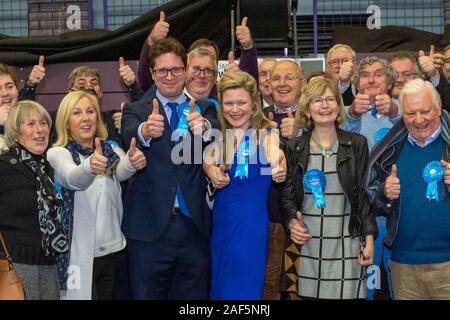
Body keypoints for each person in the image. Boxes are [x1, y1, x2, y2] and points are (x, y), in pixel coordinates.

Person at [121, 37, 219, 299]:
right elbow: (128, 131)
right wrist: (145, 131)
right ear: (152, 74)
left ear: (186, 71)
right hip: (148, 228)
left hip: (194, 228)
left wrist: (205, 128)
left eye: (176, 69)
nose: (170, 76)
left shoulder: (204, 108)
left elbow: (217, 132)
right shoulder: (136, 110)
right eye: (162, 70)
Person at [280, 77, 377, 299]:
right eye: (317, 100)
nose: (325, 105)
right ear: (306, 109)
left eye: (330, 99)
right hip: (307, 244)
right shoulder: (294, 148)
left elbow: (362, 196)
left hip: (347, 243)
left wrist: (369, 238)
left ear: (338, 105)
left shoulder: (357, 144)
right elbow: (286, 197)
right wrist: (292, 223)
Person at [47, 90, 146, 300]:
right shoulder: (58, 153)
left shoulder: (109, 149)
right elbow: (73, 178)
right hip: (77, 256)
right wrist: (89, 167)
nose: (85, 118)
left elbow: (120, 171)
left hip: (112, 253)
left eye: (90, 111)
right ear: (66, 121)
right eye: (77, 113)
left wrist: (132, 161)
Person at [204, 71, 286, 299]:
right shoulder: (222, 135)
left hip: (249, 227)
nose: (235, 109)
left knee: (242, 290)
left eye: (241, 102)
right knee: (220, 288)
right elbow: (207, 159)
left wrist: (279, 165)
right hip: (221, 224)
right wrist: (212, 171)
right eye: (228, 103)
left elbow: (275, 153)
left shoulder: (265, 132)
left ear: (253, 103)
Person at [367, 78, 450, 299]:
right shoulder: (388, 150)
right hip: (403, 264)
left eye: (425, 111)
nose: (419, 120)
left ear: (439, 107)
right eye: (411, 113)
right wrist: (384, 192)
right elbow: (370, 199)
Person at [0, 100, 68, 300]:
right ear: (15, 131)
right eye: (30, 124)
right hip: (14, 267)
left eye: (43, 123)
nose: (39, 130)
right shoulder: (4, 166)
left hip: (48, 265)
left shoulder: (46, 168)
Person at [261, 59, 304, 299]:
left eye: (289, 78)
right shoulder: (257, 119)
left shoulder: (316, 115)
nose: (282, 83)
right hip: (267, 221)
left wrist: (301, 133)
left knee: (301, 289)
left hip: (303, 221)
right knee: (267, 288)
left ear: (302, 83)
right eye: (276, 78)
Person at [137, 11, 259, 92]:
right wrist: (151, 41)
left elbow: (250, 92)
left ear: (215, 72)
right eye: (196, 68)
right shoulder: (173, 91)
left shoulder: (223, 96)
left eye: (207, 69)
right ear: (185, 68)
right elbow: (146, 82)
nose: (202, 75)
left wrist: (247, 49)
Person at [341, 56, 400, 151]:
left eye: (378, 75)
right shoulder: (344, 113)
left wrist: (394, 113)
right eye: (365, 75)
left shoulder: (405, 109)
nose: (371, 80)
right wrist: (353, 115)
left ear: (389, 83)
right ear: (358, 84)